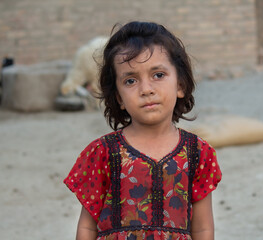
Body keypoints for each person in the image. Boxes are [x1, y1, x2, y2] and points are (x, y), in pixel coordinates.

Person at [64, 21, 222, 240]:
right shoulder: (103, 152)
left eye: (158, 75)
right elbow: (87, 228)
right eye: (130, 80)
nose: (146, 89)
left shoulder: (198, 153)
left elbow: (203, 229)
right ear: (118, 97)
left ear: (180, 85)